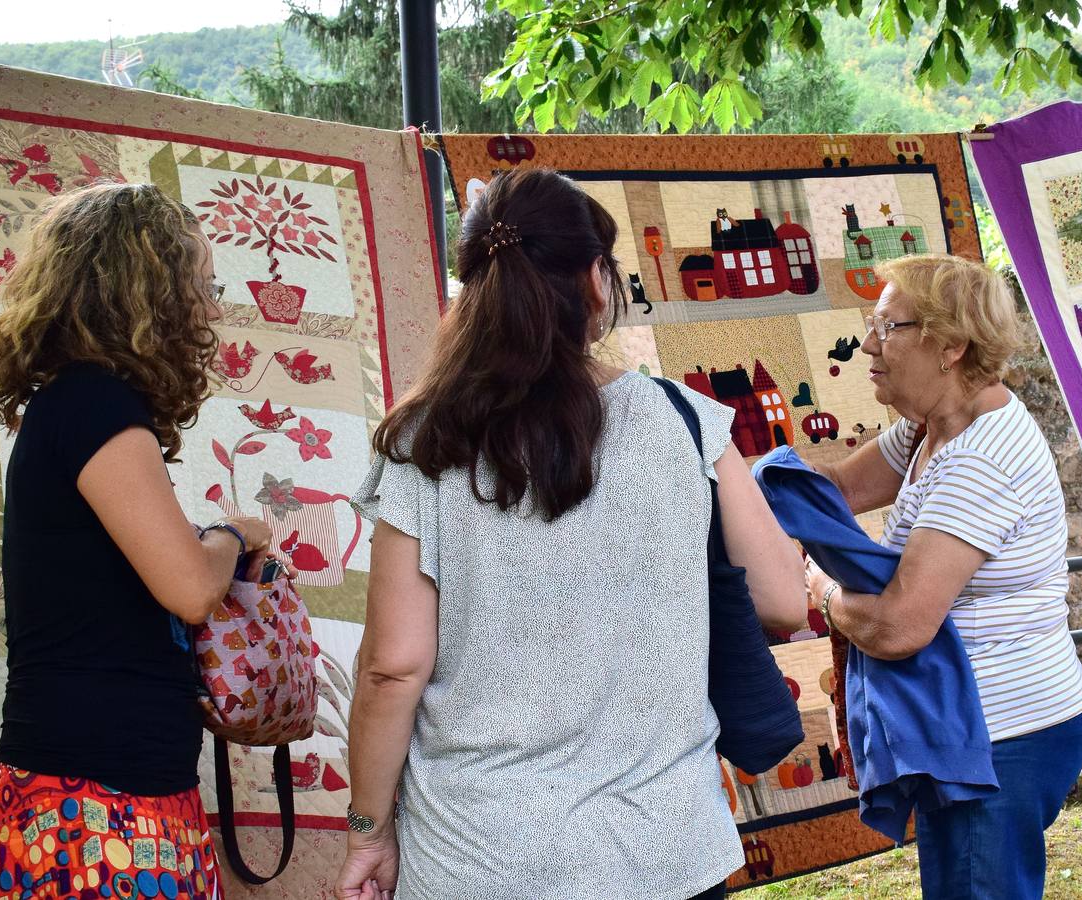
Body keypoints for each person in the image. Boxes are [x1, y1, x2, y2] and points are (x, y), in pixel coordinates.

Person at [335, 167, 807, 900]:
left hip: (481, 861)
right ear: (595, 279)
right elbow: (783, 600)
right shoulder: (685, 423)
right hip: (666, 854)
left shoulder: (428, 444)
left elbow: (392, 668)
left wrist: (369, 830)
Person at [0, 183, 284, 900]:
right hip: (91, 807)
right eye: (202, 285)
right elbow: (188, 586)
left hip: (105, 795)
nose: (211, 307)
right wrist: (232, 533)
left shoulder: (77, 407)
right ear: (149, 292)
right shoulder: (93, 405)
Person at [801, 253, 1082, 898]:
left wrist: (819, 590)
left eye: (888, 326)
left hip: (1004, 736)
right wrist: (745, 477)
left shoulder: (980, 460)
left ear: (950, 346)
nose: (867, 345)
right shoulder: (933, 427)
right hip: (972, 727)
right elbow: (838, 489)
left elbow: (900, 624)